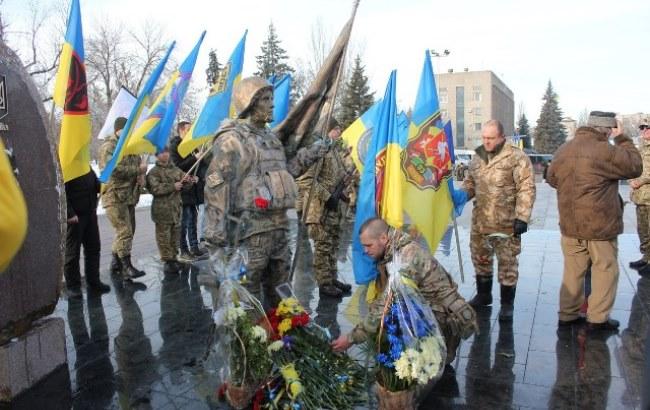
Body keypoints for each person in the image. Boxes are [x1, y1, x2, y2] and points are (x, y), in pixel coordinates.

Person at [204, 76, 326, 308]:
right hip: (250, 231)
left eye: (272, 98)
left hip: (278, 227)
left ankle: (282, 338)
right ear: (250, 103)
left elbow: (286, 171)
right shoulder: (234, 139)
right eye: (265, 99)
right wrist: (216, 236)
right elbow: (217, 186)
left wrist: (313, 153)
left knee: (281, 291)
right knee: (246, 295)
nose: (272, 104)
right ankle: (252, 342)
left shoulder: (271, 139)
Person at [331, 218, 477, 365]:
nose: (365, 251)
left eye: (369, 245)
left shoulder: (405, 258)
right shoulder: (395, 248)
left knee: (412, 365)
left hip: (441, 320)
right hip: (431, 310)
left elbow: (385, 305)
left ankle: (432, 357)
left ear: (383, 238)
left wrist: (351, 338)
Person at [546, 111, 642, 332]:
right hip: (600, 227)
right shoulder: (606, 150)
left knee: (572, 271)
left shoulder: (564, 149)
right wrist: (623, 138)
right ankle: (598, 319)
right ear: (608, 129)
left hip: (570, 225)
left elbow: (551, 178)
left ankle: (567, 315)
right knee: (605, 269)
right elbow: (635, 166)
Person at [461, 119, 536, 321]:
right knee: (480, 259)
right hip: (481, 222)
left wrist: (522, 216)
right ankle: (484, 295)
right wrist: (460, 195)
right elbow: (470, 184)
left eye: (491, 138)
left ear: (502, 137)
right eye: (484, 137)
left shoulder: (516, 157)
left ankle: (506, 305)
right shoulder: (478, 156)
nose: (486, 142)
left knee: (507, 265)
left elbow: (526, 188)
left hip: (506, 224)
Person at [295, 116, 353, 297]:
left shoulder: (334, 151)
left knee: (333, 245)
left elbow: (336, 177)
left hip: (334, 209)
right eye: (336, 129)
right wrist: (328, 197)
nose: (339, 132)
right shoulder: (319, 151)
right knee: (323, 246)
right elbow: (305, 180)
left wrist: (343, 192)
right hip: (320, 209)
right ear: (327, 130)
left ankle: (332, 277)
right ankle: (324, 283)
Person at [99, 117, 146, 280]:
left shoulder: (130, 147)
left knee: (128, 231)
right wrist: (137, 170)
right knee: (124, 231)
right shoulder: (109, 146)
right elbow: (113, 168)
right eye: (126, 129)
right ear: (118, 129)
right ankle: (126, 266)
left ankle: (115, 263)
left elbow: (139, 166)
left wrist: (141, 176)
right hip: (114, 196)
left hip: (129, 196)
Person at [64, 168, 109, 297]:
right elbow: (62, 193)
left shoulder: (85, 166)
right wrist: (70, 213)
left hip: (90, 213)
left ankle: (93, 281)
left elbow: (96, 185)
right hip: (75, 217)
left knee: (94, 248)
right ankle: (73, 286)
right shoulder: (67, 166)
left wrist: (102, 185)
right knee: (73, 252)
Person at [146, 146, 191, 273]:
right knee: (163, 237)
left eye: (166, 152)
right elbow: (155, 189)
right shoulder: (154, 172)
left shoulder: (175, 169)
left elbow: (184, 184)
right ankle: (167, 261)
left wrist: (189, 181)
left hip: (176, 208)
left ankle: (174, 258)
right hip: (162, 211)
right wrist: (172, 186)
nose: (165, 155)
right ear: (156, 155)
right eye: (161, 153)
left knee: (175, 236)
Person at [170, 121, 206, 261]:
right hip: (182, 191)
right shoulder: (175, 145)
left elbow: (200, 166)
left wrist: (198, 177)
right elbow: (177, 166)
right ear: (181, 130)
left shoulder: (192, 146)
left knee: (193, 220)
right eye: (189, 129)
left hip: (193, 190)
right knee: (184, 222)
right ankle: (183, 250)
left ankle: (194, 247)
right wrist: (194, 159)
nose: (191, 132)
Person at [629, 119, 650, 277]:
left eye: (648, 127)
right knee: (643, 229)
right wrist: (631, 178)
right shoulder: (642, 147)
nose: (645, 131)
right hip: (640, 197)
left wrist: (641, 181)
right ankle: (646, 257)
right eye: (642, 128)